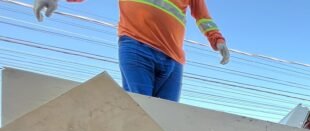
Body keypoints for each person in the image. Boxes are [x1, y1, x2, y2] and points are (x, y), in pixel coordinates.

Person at [33, 0, 230, 102]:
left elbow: (203, 17)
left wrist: (218, 40)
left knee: (166, 120)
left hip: (174, 59)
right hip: (136, 46)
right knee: (140, 112)